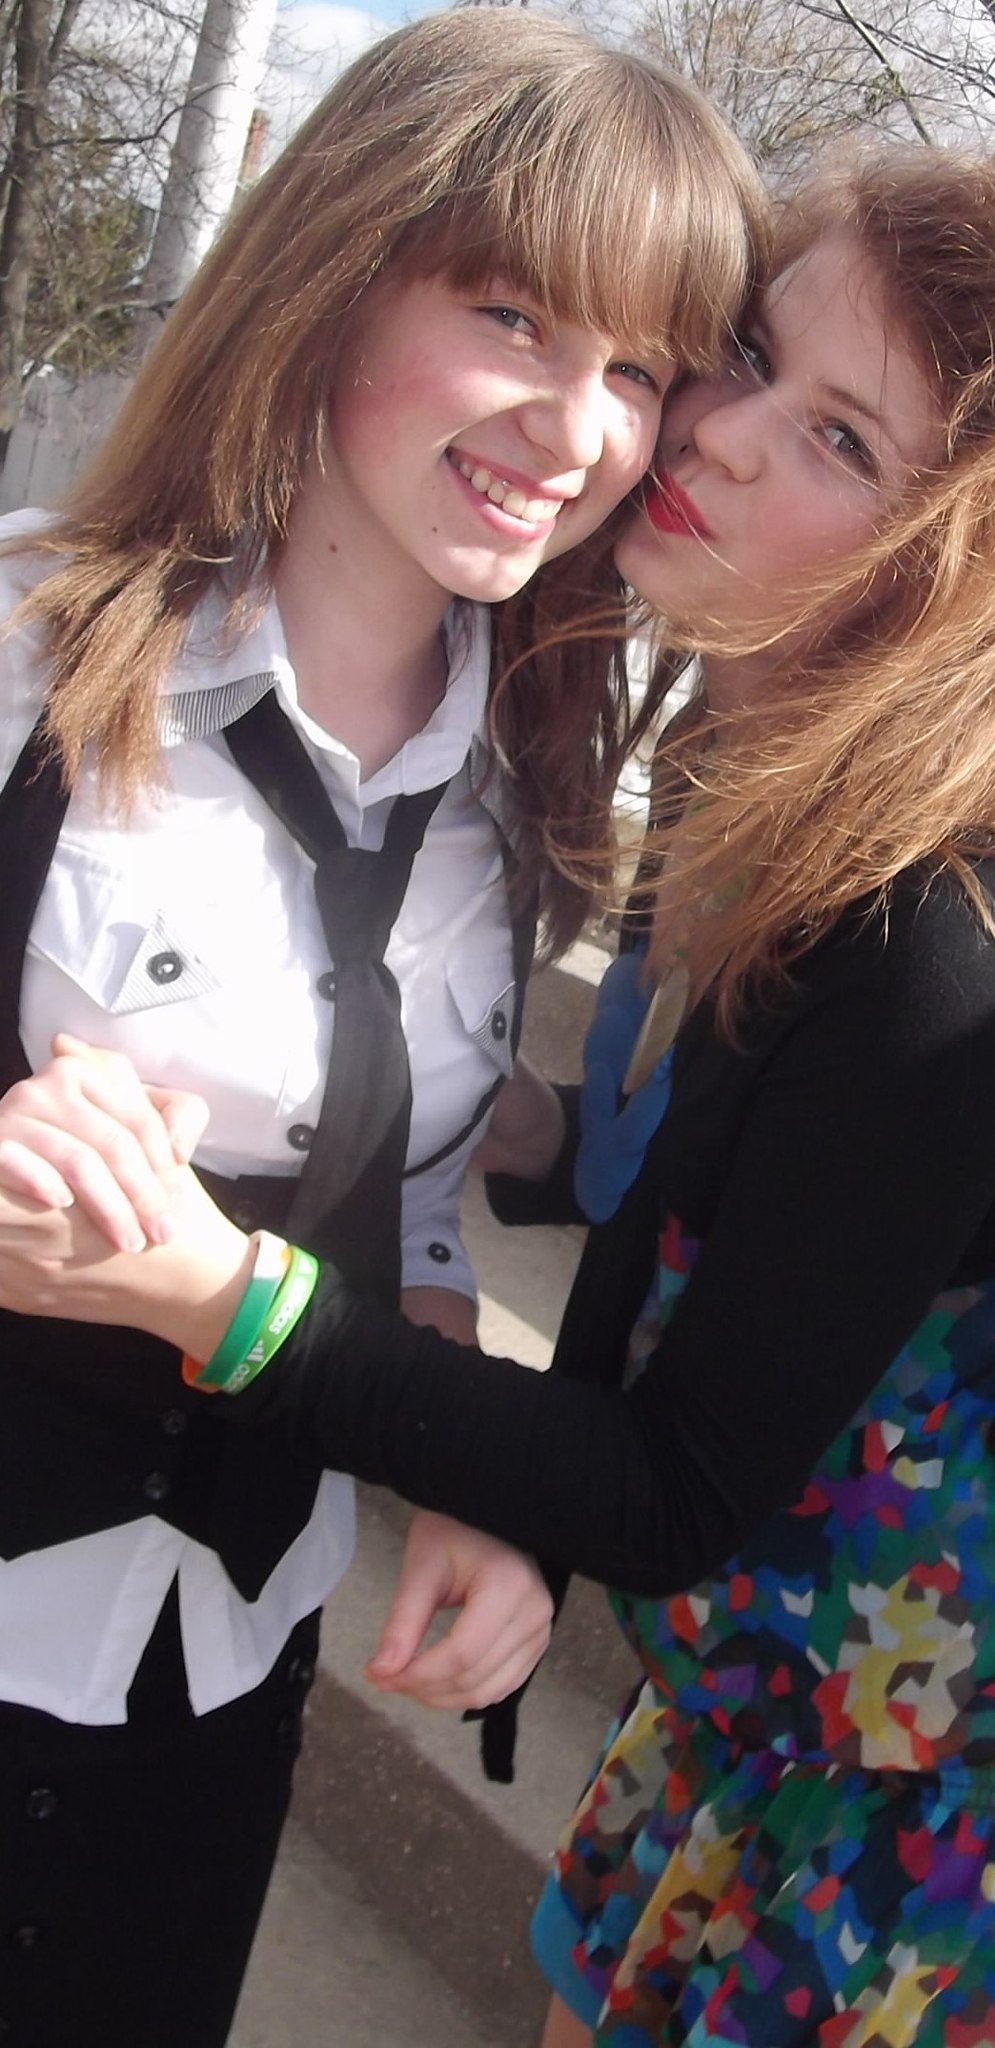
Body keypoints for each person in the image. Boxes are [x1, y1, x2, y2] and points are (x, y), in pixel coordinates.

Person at [0, 140, 995, 2048]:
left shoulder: (948, 937)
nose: (713, 432)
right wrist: (506, 1160)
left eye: (840, 442)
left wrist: (224, 1298)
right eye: (748, 356)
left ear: (944, 562)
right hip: (764, 1684)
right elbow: (682, 1210)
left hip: (975, 1769)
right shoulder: (750, 780)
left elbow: (679, 1482)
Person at [0, 13, 765, 2044]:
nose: (576, 425)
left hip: (219, 1680)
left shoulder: (517, 800)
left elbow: (406, 1222)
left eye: (637, 368)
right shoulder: (28, 654)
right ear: (338, 274)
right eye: (514, 316)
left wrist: (472, 1472)